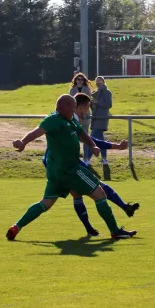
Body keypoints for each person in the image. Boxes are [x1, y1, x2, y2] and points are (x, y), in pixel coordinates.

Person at [6, 94, 136, 241]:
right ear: (66, 108)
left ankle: (16, 227)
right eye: (73, 107)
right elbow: (36, 132)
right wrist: (23, 142)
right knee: (100, 194)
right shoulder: (53, 120)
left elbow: (82, 133)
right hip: (70, 170)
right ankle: (115, 231)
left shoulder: (69, 120)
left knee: (46, 203)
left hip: (56, 173)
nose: (75, 109)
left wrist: (93, 146)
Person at [43, 93, 140, 237]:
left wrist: (114, 146)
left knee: (85, 191)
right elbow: (92, 141)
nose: (88, 111)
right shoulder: (69, 120)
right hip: (61, 164)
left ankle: (116, 213)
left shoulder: (69, 117)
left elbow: (90, 140)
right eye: (87, 108)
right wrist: (116, 146)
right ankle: (111, 222)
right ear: (80, 107)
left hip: (66, 161)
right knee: (90, 191)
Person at [69, 73, 93, 163]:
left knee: (86, 136)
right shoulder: (72, 90)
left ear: (84, 81)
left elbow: (88, 102)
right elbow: (71, 103)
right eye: (78, 79)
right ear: (75, 80)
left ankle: (86, 158)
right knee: (75, 137)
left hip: (86, 116)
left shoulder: (87, 89)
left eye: (81, 79)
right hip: (75, 116)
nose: (79, 81)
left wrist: (84, 114)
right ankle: (76, 157)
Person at [89, 76, 112, 166]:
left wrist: (97, 102)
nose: (98, 83)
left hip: (102, 118)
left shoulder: (107, 92)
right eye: (97, 82)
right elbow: (94, 107)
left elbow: (109, 104)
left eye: (100, 81)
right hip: (95, 118)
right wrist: (91, 104)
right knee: (100, 140)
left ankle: (87, 158)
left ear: (103, 82)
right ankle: (104, 159)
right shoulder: (94, 93)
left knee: (91, 139)